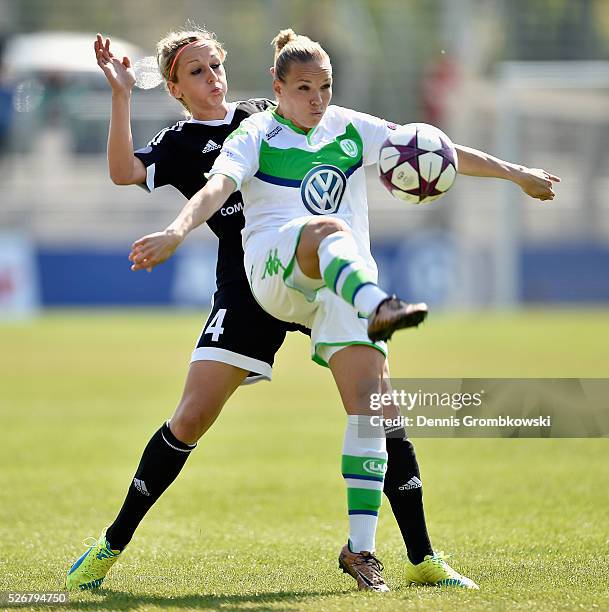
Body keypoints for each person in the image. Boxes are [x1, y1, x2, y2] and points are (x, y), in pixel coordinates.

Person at [126, 29, 560, 592]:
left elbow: (439, 150)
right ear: (276, 88)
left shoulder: (351, 128)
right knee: (327, 228)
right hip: (274, 271)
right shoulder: (255, 132)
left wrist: (515, 173)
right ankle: (379, 304)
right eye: (304, 87)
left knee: (374, 410)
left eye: (325, 86)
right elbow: (215, 189)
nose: (317, 98)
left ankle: (373, 553)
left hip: (339, 282)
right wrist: (176, 231)